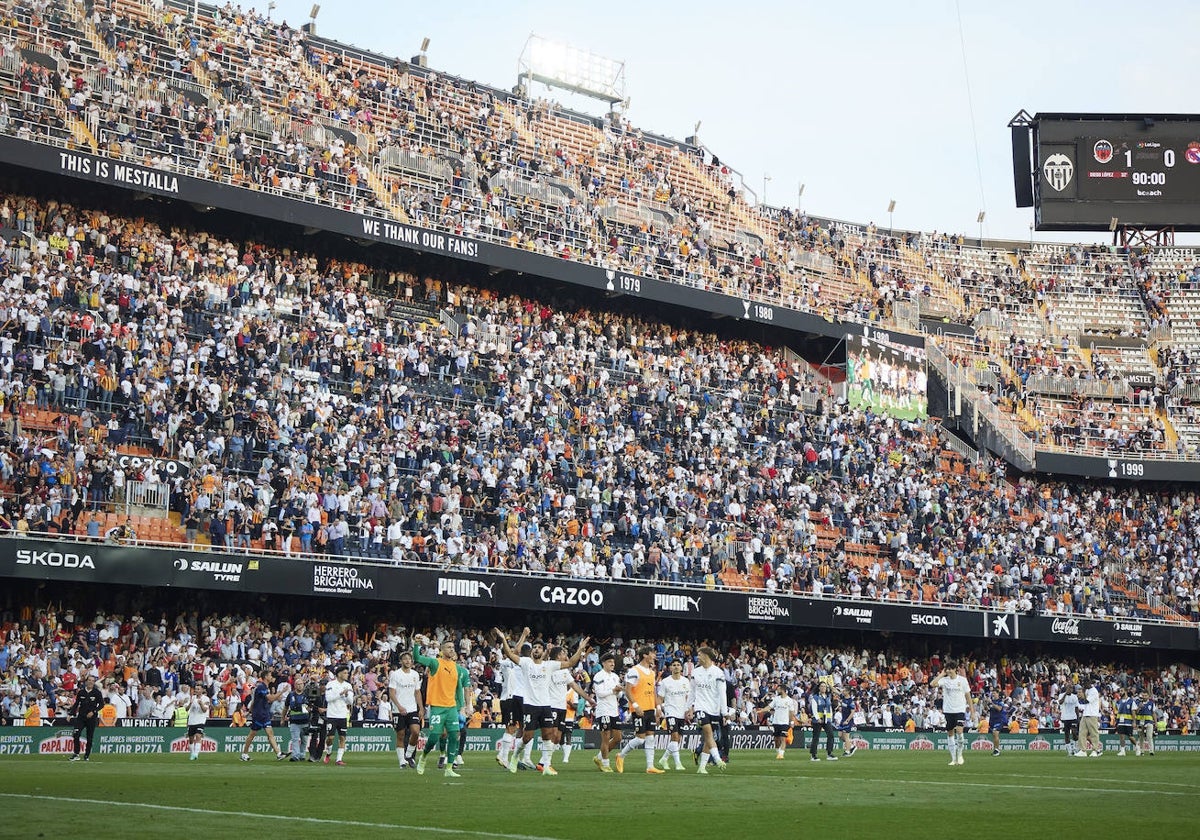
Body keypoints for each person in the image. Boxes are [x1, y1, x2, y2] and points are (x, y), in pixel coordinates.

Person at [496, 627, 589, 775]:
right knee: (527, 736)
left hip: (546, 705)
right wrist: (503, 639)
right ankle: (514, 757)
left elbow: (570, 663)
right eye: (535, 647)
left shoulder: (549, 665)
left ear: (544, 651)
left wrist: (580, 648)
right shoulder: (526, 663)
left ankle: (546, 766)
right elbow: (509, 654)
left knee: (548, 735)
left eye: (539, 647)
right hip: (530, 705)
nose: (536, 649)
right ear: (532, 651)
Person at [412, 634, 472, 778]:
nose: (452, 650)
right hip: (437, 707)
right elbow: (418, 658)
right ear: (442, 650)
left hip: (451, 707)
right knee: (434, 737)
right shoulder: (435, 663)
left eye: (453, 647)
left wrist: (462, 707)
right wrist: (416, 645)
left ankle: (449, 768)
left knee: (454, 735)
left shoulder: (456, 668)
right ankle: (424, 757)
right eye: (449, 647)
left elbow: (458, 689)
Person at [616, 645, 665, 775]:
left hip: (650, 709)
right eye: (652, 654)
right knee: (640, 738)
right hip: (639, 709)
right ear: (645, 655)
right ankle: (620, 755)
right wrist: (636, 705)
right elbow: (627, 689)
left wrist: (658, 707)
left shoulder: (652, 672)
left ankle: (650, 766)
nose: (654, 656)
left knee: (650, 738)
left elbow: (653, 690)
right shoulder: (634, 671)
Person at [543, 649, 591, 775]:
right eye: (564, 653)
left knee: (558, 737)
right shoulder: (549, 668)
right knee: (552, 734)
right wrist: (580, 649)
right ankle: (546, 764)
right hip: (551, 705)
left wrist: (588, 699)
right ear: (558, 656)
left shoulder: (564, 671)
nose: (566, 655)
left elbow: (575, 686)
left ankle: (543, 762)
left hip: (562, 707)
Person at [690, 646, 729, 774]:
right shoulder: (695, 672)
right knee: (708, 733)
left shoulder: (718, 673)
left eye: (700, 655)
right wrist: (688, 707)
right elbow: (692, 691)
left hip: (714, 709)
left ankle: (702, 767)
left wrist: (724, 712)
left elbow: (722, 693)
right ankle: (717, 759)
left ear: (706, 656)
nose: (698, 657)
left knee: (709, 738)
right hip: (700, 707)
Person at [496, 634, 530, 770]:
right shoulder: (512, 662)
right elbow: (514, 653)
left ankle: (515, 757)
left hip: (509, 698)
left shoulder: (508, 663)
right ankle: (504, 756)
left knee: (519, 728)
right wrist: (524, 635)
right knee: (514, 728)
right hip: (512, 698)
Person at [931, 659, 972, 766]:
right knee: (950, 734)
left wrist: (972, 710)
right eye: (947, 669)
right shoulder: (944, 680)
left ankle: (960, 754)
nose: (948, 671)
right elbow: (932, 684)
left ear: (955, 669)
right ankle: (953, 759)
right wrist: (941, 674)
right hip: (948, 710)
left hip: (959, 710)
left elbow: (968, 695)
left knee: (959, 731)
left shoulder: (962, 680)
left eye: (950, 669)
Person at [240, 667, 286, 762]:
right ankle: (244, 754)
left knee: (270, 733)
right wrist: (281, 691)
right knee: (252, 735)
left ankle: (278, 754)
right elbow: (271, 699)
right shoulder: (261, 687)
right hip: (259, 715)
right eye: (269, 675)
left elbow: (254, 701)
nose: (271, 676)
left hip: (264, 714)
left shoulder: (264, 687)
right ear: (265, 677)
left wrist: (249, 711)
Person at [388, 651, 424, 769]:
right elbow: (391, 693)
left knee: (415, 731)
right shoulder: (395, 674)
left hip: (412, 708)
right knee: (401, 735)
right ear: (401, 661)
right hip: (398, 709)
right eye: (405, 659)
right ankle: (402, 761)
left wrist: (421, 708)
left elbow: (417, 692)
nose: (407, 661)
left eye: (409, 659)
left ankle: (408, 755)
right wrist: (399, 706)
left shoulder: (415, 674)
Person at [590, 651, 624, 773]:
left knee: (618, 738)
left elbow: (619, 694)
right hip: (603, 710)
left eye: (613, 662)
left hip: (614, 710)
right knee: (605, 738)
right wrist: (613, 690)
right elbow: (599, 693)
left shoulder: (615, 676)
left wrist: (619, 691)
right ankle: (605, 763)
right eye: (609, 661)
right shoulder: (599, 676)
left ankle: (599, 757)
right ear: (603, 663)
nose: (612, 664)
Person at [656, 658, 691, 771]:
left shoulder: (686, 681)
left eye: (678, 665)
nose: (676, 667)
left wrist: (689, 710)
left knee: (677, 740)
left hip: (681, 713)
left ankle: (664, 759)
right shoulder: (665, 682)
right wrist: (658, 709)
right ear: (671, 668)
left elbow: (688, 698)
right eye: (674, 665)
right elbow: (660, 698)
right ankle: (678, 763)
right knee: (674, 737)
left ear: (681, 668)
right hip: (670, 712)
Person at [68, 674, 103, 761]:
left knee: (89, 737)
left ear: (94, 682)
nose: (90, 682)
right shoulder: (81, 692)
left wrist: (94, 711)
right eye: (89, 680)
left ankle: (87, 755)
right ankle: (76, 754)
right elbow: (76, 704)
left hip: (92, 718)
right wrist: (70, 714)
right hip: (81, 717)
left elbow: (101, 704)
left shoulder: (97, 692)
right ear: (86, 681)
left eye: (92, 680)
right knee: (76, 734)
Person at [762, 682, 799, 761]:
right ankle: (778, 752)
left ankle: (781, 754)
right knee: (776, 739)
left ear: (783, 690)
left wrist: (791, 722)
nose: (777, 690)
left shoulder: (789, 700)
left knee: (783, 738)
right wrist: (762, 710)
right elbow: (770, 706)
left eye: (778, 689)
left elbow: (791, 712)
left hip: (785, 722)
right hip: (776, 722)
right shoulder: (776, 699)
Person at [808, 681, 838, 762]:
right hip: (818, 720)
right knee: (816, 737)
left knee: (831, 735)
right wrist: (817, 718)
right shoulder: (815, 697)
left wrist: (830, 718)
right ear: (819, 687)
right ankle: (813, 755)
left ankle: (829, 753)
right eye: (822, 686)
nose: (823, 688)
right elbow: (814, 708)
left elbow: (830, 708)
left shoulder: (828, 697)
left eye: (824, 686)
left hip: (827, 719)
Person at [284, 674, 310, 761]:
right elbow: (286, 707)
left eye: (301, 684)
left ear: (303, 685)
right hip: (294, 721)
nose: (299, 685)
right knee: (295, 739)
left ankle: (302, 755)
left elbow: (311, 707)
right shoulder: (291, 695)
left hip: (305, 721)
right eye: (298, 684)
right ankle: (295, 755)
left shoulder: (307, 695)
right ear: (295, 685)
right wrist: (282, 717)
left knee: (304, 740)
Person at [185, 684, 211, 761]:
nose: (196, 690)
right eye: (196, 689)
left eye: (198, 689)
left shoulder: (206, 699)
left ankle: (196, 754)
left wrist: (201, 704)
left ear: (202, 690)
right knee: (191, 739)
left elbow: (204, 710)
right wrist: (190, 703)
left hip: (200, 721)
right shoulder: (192, 698)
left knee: (198, 736)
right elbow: (186, 709)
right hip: (192, 721)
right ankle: (192, 753)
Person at [1079, 678, 1103, 757]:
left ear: (1089, 683)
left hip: (1092, 714)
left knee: (1094, 733)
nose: (1084, 686)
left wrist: (1083, 692)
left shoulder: (1094, 691)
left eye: (1085, 684)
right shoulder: (1087, 690)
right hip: (1085, 713)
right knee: (1082, 732)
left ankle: (1095, 750)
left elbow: (1086, 701)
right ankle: (1083, 750)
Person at [983, 684, 1008, 757]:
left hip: (1000, 719)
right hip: (993, 720)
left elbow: (999, 709)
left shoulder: (1000, 701)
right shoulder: (992, 701)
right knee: (994, 735)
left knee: (995, 732)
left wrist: (991, 703)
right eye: (992, 693)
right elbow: (987, 709)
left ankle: (997, 750)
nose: (993, 694)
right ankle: (995, 749)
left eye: (994, 693)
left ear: (997, 694)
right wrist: (985, 702)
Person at [834, 687, 858, 757]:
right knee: (840, 736)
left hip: (848, 721)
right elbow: (835, 691)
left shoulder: (851, 701)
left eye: (844, 691)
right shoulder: (843, 697)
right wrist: (830, 685)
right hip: (843, 720)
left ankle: (847, 751)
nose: (842, 692)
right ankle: (852, 746)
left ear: (848, 692)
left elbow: (853, 712)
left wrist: (847, 720)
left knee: (846, 736)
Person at [1059, 684, 1081, 755]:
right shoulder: (1061, 695)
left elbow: (1076, 708)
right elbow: (1060, 702)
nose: (1070, 689)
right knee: (1067, 734)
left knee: (1074, 733)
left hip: (1073, 717)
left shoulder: (1074, 697)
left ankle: (1075, 748)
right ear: (1066, 688)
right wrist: (1065, 694)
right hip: (1065, 718)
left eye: (1071, 688)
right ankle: (1069, 751)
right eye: (1069, 688)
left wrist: (1078, 718)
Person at [1114, 688, 1136, 756]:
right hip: (1121, 721)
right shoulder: (1118, 702)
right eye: (1120, 691)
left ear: (1125, 691)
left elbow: (1133, 712)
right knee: (1121, 736)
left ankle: (1137, 746)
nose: (1120, 692)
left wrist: (1134, 721)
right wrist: (1116, 721)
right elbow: (1117, 712)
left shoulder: (1131, 701)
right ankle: (1122, 750)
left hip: (1128, 722)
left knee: (1130, 737)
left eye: (1121, 691)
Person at [1135, 689, 1155, 757]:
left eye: (1145, 695)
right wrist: (1139, 707)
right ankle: (1141, 751)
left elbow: (1153, 713)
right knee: (1141, 737)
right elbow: (1136, 712)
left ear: (1148, 696)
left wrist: (1155, 722)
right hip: (1140, 722)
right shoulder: (1138, 703)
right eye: (1143, 695)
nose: (1144, 697)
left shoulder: (1151, 703)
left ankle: (1151, 751)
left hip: (1149, 722)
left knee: (1149, 736)